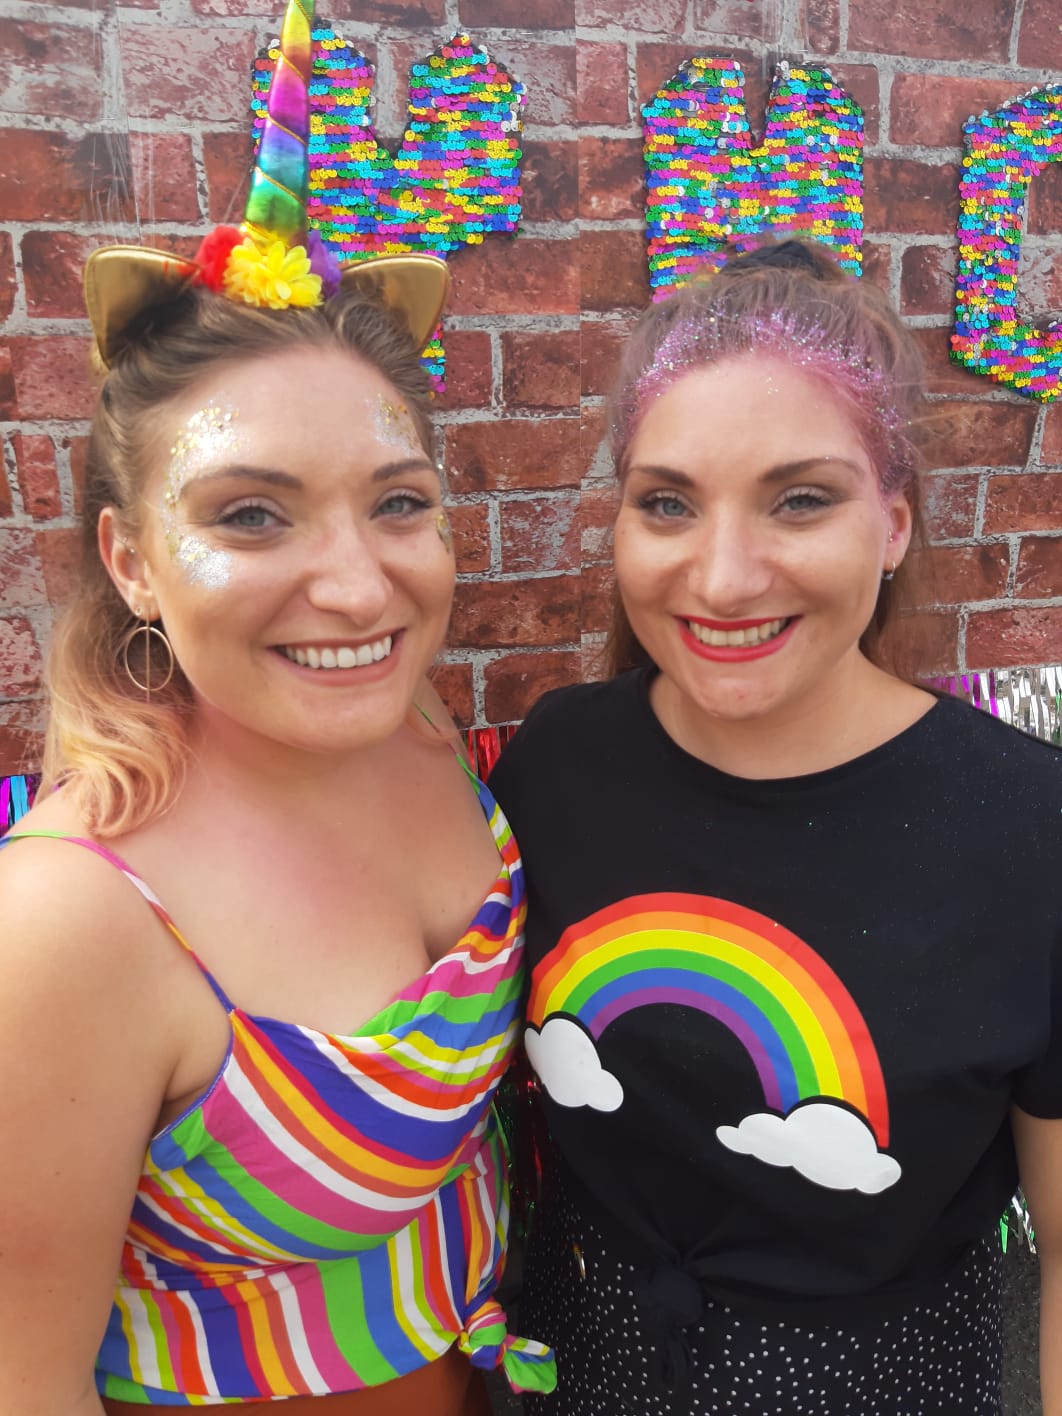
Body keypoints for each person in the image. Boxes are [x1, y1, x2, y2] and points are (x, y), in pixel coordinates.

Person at [0, 3, 554, 1410]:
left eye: (398, 504)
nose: (359, 589)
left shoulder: (415, 730)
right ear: (131, 561)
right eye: (251, 515)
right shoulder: (70, 925)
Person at [489, 239, 1062, 1415]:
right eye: (668, 504)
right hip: (574, 1366)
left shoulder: (1030, 832)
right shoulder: (557, 764)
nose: (723, 577)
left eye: (800, 499)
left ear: (892, 524)